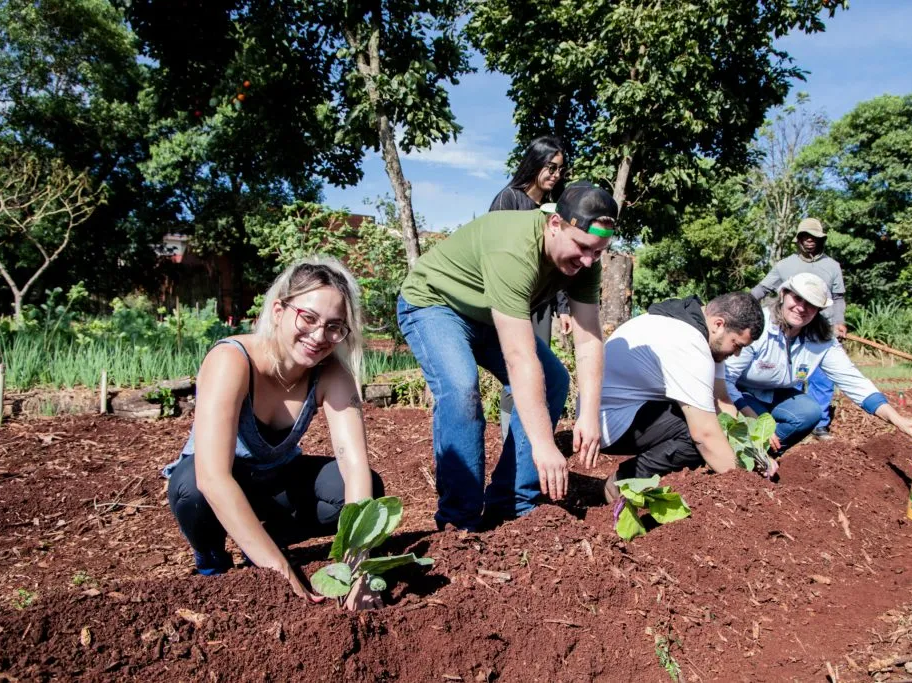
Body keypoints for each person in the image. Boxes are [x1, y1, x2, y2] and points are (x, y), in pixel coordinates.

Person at [163, 256, 384, 606]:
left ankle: (262, 543)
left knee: (358, 487)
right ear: (279, 310)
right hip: (216, 485)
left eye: (334, 326)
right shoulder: (231, 360)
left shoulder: (331, 374)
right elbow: (213, 477)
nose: (318, 336)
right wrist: (282, 572)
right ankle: (212, 561)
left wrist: (358, 570)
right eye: (308, 318)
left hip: (275, 484)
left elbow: (354, 467)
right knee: (191, 487)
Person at [398, 181, 618, 531]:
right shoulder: (515, 248)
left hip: (487, 314)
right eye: (582, 247)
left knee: (555, 380)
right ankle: (460, 521)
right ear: (556, 224)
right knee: (460, 389)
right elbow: (519, 357)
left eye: (599, 251)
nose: (589, 259)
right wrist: (545, 446)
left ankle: (513, 502)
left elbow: (589, 338)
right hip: (435, 303)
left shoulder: (585, 260)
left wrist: (589, 414)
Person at [591, 293, 770, 502]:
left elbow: (721, 399)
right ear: (719, 324)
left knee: (712, 427)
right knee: (698, 437)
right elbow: (704, 435)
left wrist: (753, 453)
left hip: (629, 411)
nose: (737, 353)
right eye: (737, 344)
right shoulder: (689, 343)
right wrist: (745, 486)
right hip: (604, 423)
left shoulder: (701, 330)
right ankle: (621, 485)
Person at [728, 273, 912, 453]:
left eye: (811, 304)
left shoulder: (821, 339)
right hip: (736, 392)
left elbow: (853, 381)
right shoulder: (760, 326)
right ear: (783, 295)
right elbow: (725, 381)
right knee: (760, 421)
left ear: (819, 309)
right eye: (797, 298)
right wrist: (756, 419)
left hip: (773, 393)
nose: (801, 308)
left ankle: (762, 459)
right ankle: (731, 452)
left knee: (808, 411)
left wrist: (898, 420)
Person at [489, 136, 573, 439]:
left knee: (539, 373)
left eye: (560, 169)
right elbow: (495, 252)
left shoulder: (555, 210)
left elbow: (561, 259)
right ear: (534, 163)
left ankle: (532, 441)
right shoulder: (508, 199)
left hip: (541, 304)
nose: (555, 174)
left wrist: (563, 308)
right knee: (517, 370)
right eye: (550, 167)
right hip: (511, 302)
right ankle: (512, 439)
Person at [751, 217, 847, 440]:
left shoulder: (832, 267)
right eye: (805, 236)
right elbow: (763, 288)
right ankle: (773, 416)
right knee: (784, 374)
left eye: (814, 237)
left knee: (822, 377)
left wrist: (839, 321)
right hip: (789, 328)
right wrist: (741, 304)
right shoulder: (785, 265)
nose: (809, 241)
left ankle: (820, 424)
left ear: (821, 240)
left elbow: (839, 297)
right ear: (799, 240)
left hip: (820, 329)